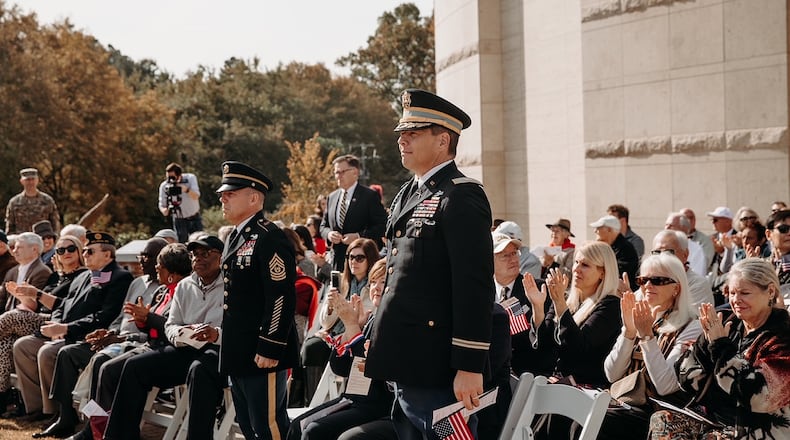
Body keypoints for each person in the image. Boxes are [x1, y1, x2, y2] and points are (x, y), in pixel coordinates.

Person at [366, 89, 495, 439]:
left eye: (413, 133)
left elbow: (475, 286)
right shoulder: (408, 193)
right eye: (401, 134)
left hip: (439, 368)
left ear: (442, 141)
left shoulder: (461, 195)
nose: (402, 140)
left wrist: (469, 366)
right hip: (407, 361)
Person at [649, 258, 790, 439]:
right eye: (731, 293)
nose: (736, 300)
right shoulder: (728, 325)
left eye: (745, 293)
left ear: (770, 291)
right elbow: (685, 376)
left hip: (754, 431)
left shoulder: (783, 337)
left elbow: (760, 397)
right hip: (713, 420)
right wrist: (705, 346)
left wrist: (720, 347)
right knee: (663, 421)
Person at [102, 237, 224, 440]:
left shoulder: (232, 285)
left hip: (218, 349)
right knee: (134, 367)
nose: (199, 259)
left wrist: (215, 333)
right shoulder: (185, 285)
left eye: (206, 254)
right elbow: (171, 323)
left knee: (199, 370)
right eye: (195, 255)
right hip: (186, 347)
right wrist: (179, 334)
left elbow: (239, 328)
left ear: (221, 258)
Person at [14, 232, 131, 437]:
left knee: (57, 353)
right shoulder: (84, 275)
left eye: (90, 251)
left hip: (92, 338)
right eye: (84, 250)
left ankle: (66, 416)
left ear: (107, 255)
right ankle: (51, 413)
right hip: (68, 333)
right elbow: (64, 304)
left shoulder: (120, 277)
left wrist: (66, 329)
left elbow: (104, 316)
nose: (84, 254)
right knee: (26, 346)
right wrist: (58, 323)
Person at [217, 161, 298, 439]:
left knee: (269, 427)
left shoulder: (269, 236)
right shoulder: (234, 237)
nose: (223, 198)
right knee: (249, 426)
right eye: (223, 194)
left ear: (253, 198)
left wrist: (271, 345)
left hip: (261, 351)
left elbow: (281, 295)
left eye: (231, 193)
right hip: (239, 350)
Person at [287, 258, 396, 440]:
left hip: (377, 405)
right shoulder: (370, 319)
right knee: (298, 426)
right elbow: (340, 368)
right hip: (355, 399)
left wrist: (353, 326)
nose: (376, 287)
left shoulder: (391, 321)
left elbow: (371, 369)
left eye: (382, 281)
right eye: (373, 282)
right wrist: (350, 329)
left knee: (314, 430)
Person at [599, 254, 702, 439]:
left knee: (600, 420)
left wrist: (647, 336)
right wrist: (629, 332)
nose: (647, 286)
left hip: (656, 411)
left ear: (676, 288)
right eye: (643, 280)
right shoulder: (639, 314)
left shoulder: (691, 325)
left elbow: (665, 386)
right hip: (623, 401)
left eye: (657, 280)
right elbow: (611, 374)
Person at [527, 241, 622, 388]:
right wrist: (538, 307)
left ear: (603, 272)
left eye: (585, 265)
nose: (576, 269)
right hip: (555, 385)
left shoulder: (611, 305)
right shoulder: (566, 299)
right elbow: (542, 347)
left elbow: (578, 348)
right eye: (576, 262)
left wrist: (559, 304)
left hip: (586, 392)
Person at [0, 233, 72, 415]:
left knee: (12, 317)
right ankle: (4, 398)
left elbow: (34, 305)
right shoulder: (13, 272)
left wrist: (23, 295)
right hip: (18, 324)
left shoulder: (43, 272)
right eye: (59, 251)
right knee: (5, 344)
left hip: (35, 321)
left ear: (34, 249)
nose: (13, 250)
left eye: (19, 246)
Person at [301, 238, 378, 404]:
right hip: (333, 334)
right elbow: (326, 323)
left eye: (360, 258)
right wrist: (330, 305)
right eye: (350, 257)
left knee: (314, 349)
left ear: (370, 259)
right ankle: (309, 400)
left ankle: (315, 402)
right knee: (308, 348)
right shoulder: (342, 282)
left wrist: (349, 318)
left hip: (355, 337)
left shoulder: (373, 286)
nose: (353, 262)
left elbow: (367, 318)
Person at [320, 154, 387, 271]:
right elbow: (323, 226)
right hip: (338, 263)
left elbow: (382, 226)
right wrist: (329, 234)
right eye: (336, 172)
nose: (338, 176)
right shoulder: (332, 197)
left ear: (355, 172)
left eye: (342, 172)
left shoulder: (369, 196)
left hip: (362, 263)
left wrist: (358, 236)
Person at [651, 230, 714, 310]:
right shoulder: (648, 283)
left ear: (685, 255)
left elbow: (691, 319)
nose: (662, 257)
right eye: (657, 252)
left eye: (668, 252)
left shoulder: (698, 285)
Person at [5, 167, 61, 234]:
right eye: (28, 180)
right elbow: (10, 227)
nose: (30, 182)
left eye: (33, 179)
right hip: (21, 241)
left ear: (37, 180)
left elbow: (55, 224)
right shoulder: (14, 202)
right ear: (22, 181)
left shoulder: (47, 200)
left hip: (42, 240)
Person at [591, 215, 640, 290]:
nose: (595, 231)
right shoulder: (607, 247)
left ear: (609, 230)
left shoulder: (626, 249)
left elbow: (618, 274)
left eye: (599, 228)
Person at [158, 162, 202, 243]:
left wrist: (186, 190)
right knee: (182, 243)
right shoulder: (165, 186)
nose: (170, 180)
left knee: (199, 242)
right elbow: (162, 204)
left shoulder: (190, 178)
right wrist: (165, 210)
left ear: (179, 175)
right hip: (179, 219)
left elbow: (196, 196)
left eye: (172, 177)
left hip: (194, 217)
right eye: (168, 177)